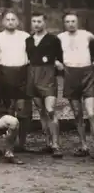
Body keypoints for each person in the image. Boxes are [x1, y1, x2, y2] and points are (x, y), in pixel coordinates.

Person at [25, 12, 63, 158]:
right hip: (33, 76)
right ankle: (48, 143)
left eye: (39, 21)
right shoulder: (28, 40)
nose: (36, 24)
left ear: (44, 22)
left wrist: (57, 64)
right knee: (41, 111)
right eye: (34, 21)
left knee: (50, 110)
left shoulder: (53, 39)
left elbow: (60, 60)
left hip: (48, 76)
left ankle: (56, 144)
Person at [57, 12, 94, 157]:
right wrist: (57, 62)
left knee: (91, 113)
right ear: (64, 23)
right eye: (68, 21)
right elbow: (53, 53)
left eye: (73, 21)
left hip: (87, 74)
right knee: (77, 114)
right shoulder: (60, 38)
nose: (71, 24)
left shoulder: (87, 35)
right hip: (70, 74)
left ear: (77, 22)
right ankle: (83, 146)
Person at [0, 10, 32, 153]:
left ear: (18, 21)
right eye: (7, 19)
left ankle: (22, 143)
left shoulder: (25, 36)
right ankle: (8, 142)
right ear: (3, 21)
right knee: (8, 110)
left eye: (13, 19)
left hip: (22, 73)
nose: (10, 22)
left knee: (23, 111)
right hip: (5, 74)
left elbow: (30, 56)